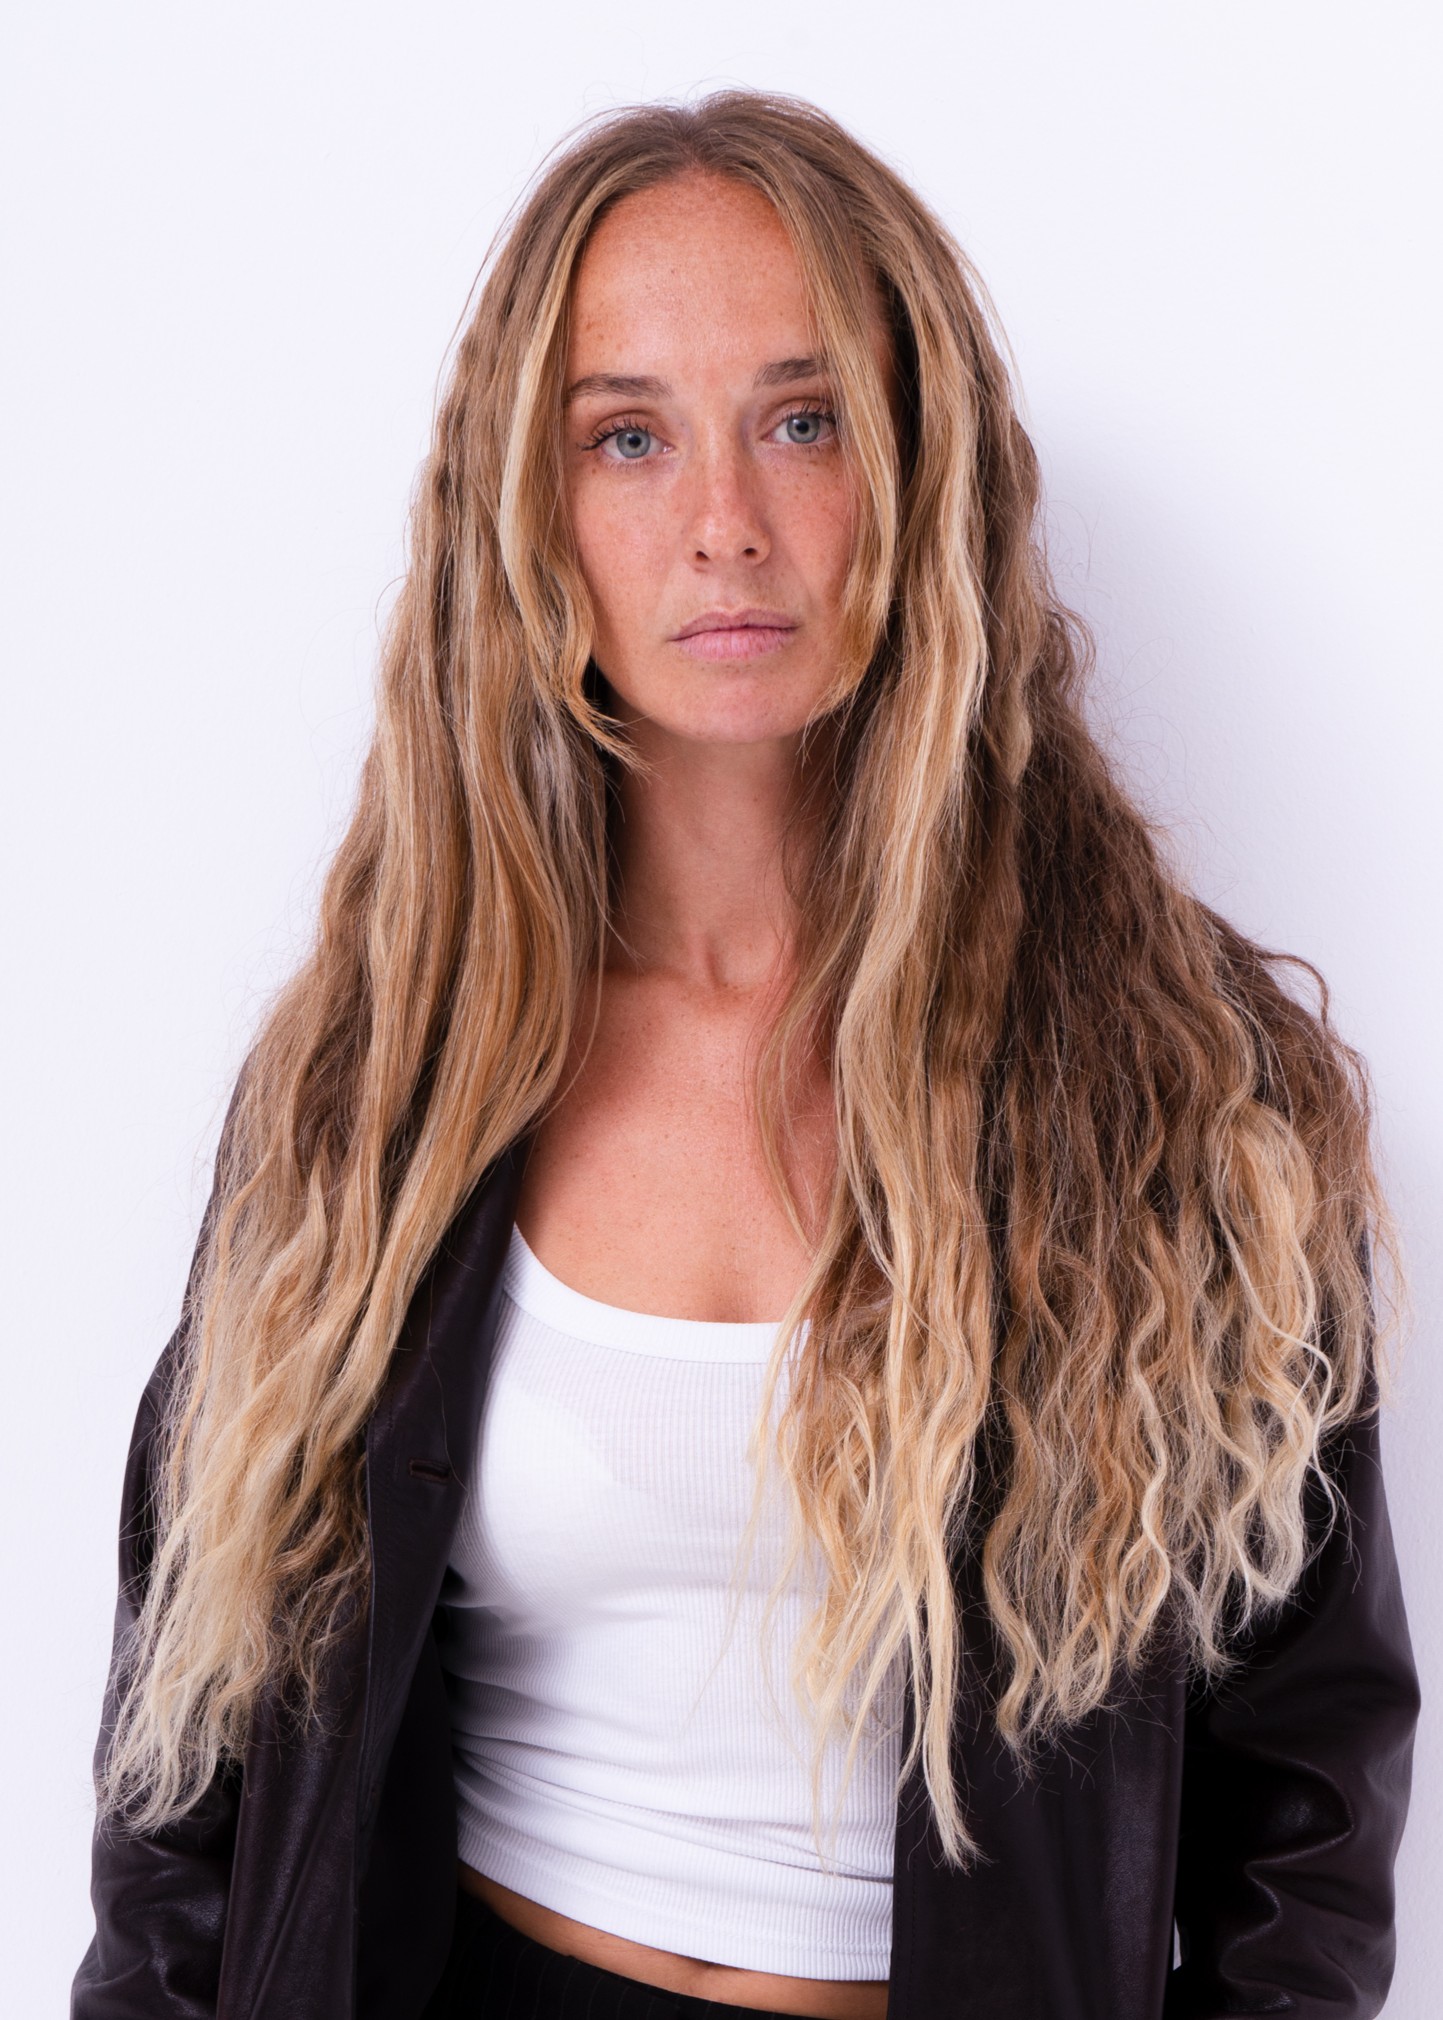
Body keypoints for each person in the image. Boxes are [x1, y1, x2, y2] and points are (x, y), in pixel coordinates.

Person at [73, 90, 1419, 2020]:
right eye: (629, 438)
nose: (726, 525)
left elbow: (1307, 1809)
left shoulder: (1184, 1092)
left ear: (920, 458)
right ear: (531, 518)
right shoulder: (388, 1073)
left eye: (804, 422)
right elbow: (188, 1763)